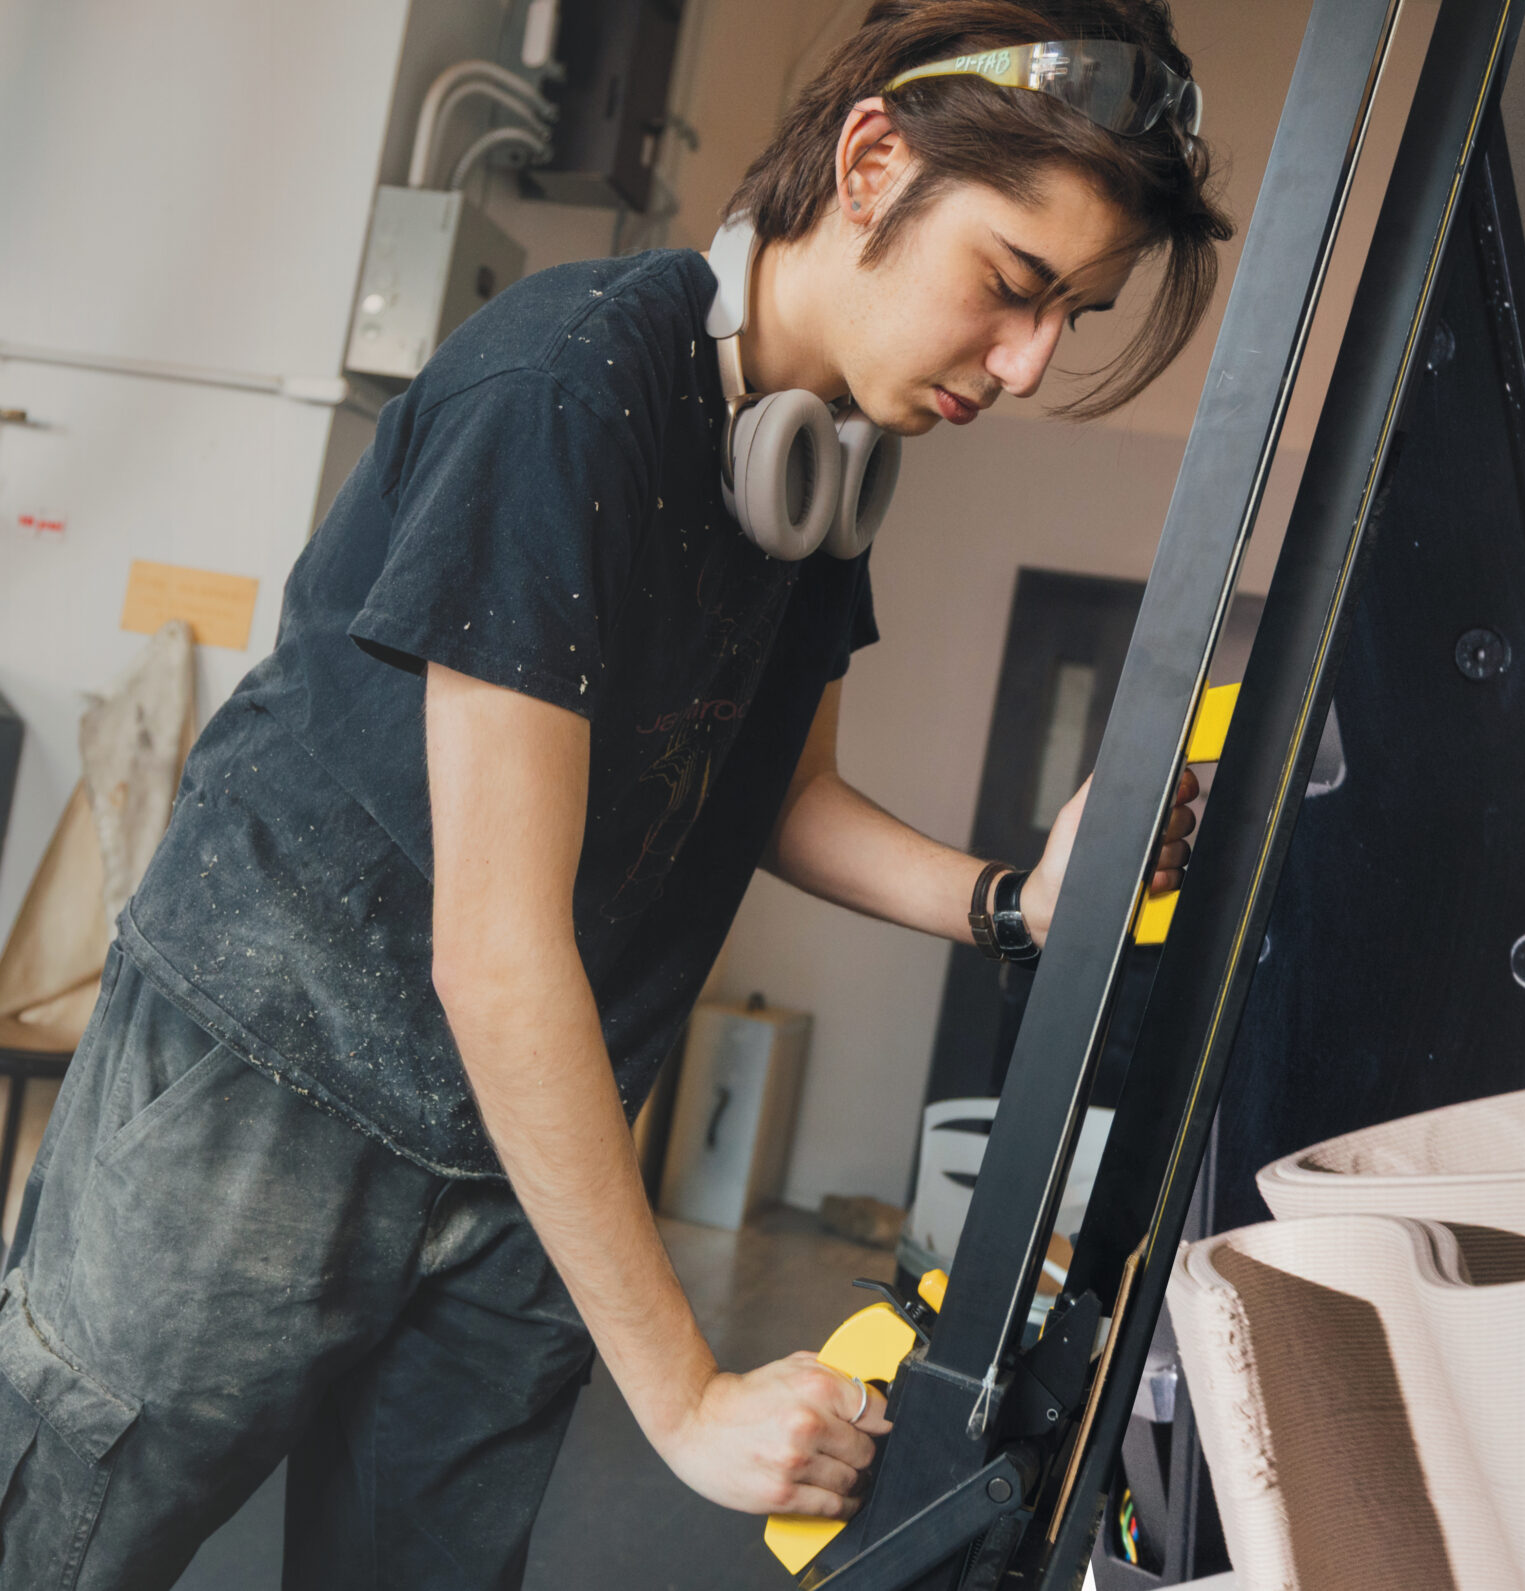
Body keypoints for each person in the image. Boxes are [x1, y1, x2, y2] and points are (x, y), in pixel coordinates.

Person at [0, 1, 1232, 1585]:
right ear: (872, 163)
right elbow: (495, 946)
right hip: (268, 1088)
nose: (1029, 360)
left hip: (528, 1149)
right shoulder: (569, 384)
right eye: (1012, 285)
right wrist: (691, 1390)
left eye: (1077, 312)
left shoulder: (821, 469)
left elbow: (770, 788)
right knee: (57, 1548)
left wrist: (1011, 902)